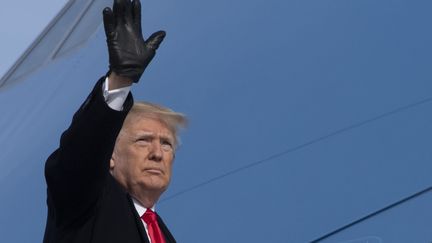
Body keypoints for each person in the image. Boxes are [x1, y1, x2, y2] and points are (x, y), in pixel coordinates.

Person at [43, 0, 186, 242]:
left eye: (166, 144)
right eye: (143, 140)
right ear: (110, 155)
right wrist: (121, 79)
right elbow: (80, 157)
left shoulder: (162, 234)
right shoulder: (86, 204)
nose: (157, 153)